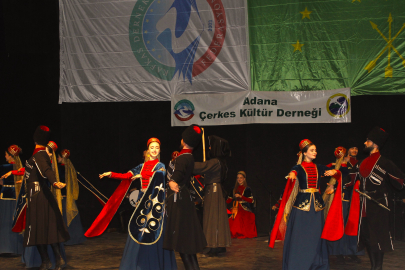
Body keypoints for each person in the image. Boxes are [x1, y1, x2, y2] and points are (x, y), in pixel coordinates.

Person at [95, 138, 176, 270]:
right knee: (138, 230)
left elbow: (159, 177)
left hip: (155, 204)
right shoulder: (142, 166)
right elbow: (126, 176)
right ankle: (137, 263)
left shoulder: (160, 166)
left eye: (157, 147)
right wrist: (111, 174)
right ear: (148, 151)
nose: (154, 150)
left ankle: (157, 263)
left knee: (155, 231)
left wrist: (142, 176)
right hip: (142, 204)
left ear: (159, 150)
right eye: (152, 147)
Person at [270, 139, 344, 270]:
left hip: (316, 207)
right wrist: (292, 175)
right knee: (301, 237)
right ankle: (299, 263)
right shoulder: (298, 167)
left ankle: (316, 262)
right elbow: (294, 172)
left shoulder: (318, 167)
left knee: (315, 236)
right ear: (304, 153)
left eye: (315, 150)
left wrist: (335, 172)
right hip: (301, 207)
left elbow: (336, 173)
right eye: (312, 150)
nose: (315, 152)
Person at [345, 127, 404, 270]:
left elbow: (400, 181)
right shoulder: (361, 163)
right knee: (368, 238)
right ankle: (374, 267)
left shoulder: (385, 162)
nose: (365, 143)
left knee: (378, 237)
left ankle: (378, 267)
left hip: (379, 205)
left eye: (368, 141)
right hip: (364, 206)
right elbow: (350, 180)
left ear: (375, 144)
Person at [21, 126, 70, 270]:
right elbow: (33, 171)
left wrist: (54, 182)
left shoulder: (41, 154)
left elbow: (47, 170)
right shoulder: (36, 155)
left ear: (35, 139)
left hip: (40, 196)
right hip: (34, 196)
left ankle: (57, 260)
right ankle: (46, 261)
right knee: (38, 230)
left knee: (47, 229)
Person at [164, 124, 207, 270]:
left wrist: (171, 181)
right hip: (185, 201)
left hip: (180, 204)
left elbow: (177, 175)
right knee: (187, 248)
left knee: (184, 247)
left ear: (184, 140)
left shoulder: (182, 157)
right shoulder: (190, 156)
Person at [193, 135, 232, 256]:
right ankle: (219, 244)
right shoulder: (220, 162)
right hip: (216, 190)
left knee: (213, 217)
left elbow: (199, 167)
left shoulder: (215, 162)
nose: (209, 147)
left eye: (211, 146)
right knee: (217, 217)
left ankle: (212, 245)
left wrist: (187, 162)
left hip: (213, 191)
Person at [57, 149, 86, 245]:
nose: (57, 159)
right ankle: (76, 238)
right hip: (70, 198)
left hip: (64, 198)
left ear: (62, 158)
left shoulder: (61, 169)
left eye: (58, 157)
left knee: (65, 218)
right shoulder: (70, 167)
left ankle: (68, 239)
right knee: (72, 218)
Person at [0, 145, 24, 255]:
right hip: (17, 196)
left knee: (5, 221)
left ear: (10, 156)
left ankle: (6, 247)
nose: (5, 156)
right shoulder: (20, 167)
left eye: (6, 155)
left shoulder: (4, 167)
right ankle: (17, 248)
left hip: (6, 196)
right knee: (15, 220)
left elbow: (1, 182)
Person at [226, 171, 257, 239]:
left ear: (244, 179)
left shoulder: (247, 189)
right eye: (238, 178)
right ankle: (230, 234)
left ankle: (238, 233)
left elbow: (251, 200)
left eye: (241, 178)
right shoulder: (233, 189)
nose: (239, 179)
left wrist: (241, 196)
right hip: (235, 207)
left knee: (239, 216)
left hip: (244, 207)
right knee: (229, 216)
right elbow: (229, 200)